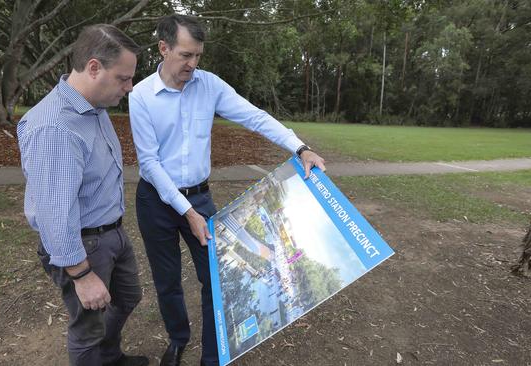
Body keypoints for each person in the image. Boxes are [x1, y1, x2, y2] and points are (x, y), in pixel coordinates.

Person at [129, 14, 326, 366]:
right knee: (167, 280)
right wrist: (185, 212)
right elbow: (149, 163)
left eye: (198, 56)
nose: (194, 64)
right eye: (186, 55)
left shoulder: (210, 85)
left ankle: (210, 356)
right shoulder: (141, 95)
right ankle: (177, 340)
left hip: (199, 198)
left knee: (215, 280)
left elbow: (255, 116)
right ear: (164, 48)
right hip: (156, 201)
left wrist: (300, 148)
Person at [17, 24, 148, 366]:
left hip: (111, 233)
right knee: (87, 328)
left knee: (128, 296)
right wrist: (81, 275)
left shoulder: (95, 108)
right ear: (94, 68)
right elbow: (54, 213)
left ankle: (110, 357)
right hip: (83, 245)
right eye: (123, 78)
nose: (129, 87)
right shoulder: (55, 128)